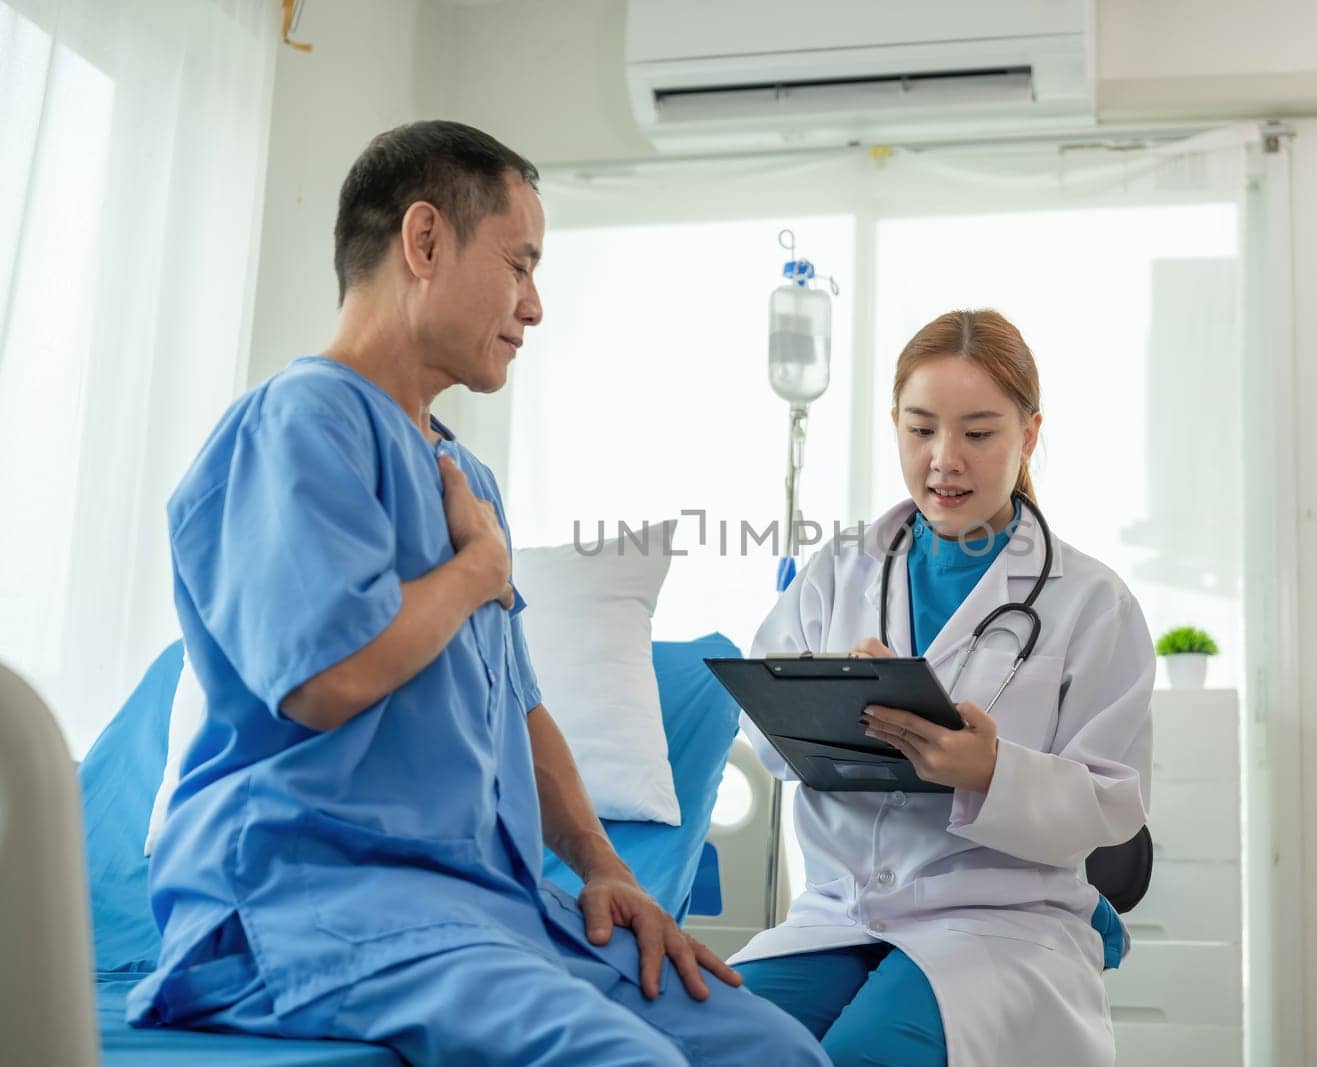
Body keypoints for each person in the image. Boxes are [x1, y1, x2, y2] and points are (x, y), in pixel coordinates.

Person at [127, 120, 825, 1067]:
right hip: (317, 907)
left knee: (775, 1053)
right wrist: (472, 574)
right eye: (518, 265)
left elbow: (519, 705)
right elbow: (322, 677)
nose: (533, 306)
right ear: (424, 243)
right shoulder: (301, 423)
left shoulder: (466, 475)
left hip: (486, 909)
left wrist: (604, 866)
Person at [729, 309, 1155, 1067]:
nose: (943, 459)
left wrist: (988, 772)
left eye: (979, 433)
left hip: (998, 921)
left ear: (1028, 435)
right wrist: (829, 699)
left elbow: (1113, 803)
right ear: (894, 424)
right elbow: (767, 731)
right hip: (841, 910)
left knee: (869, 1054)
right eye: (921, 429)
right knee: (713, 1041)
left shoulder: (1092, 602)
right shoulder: (842, 568)